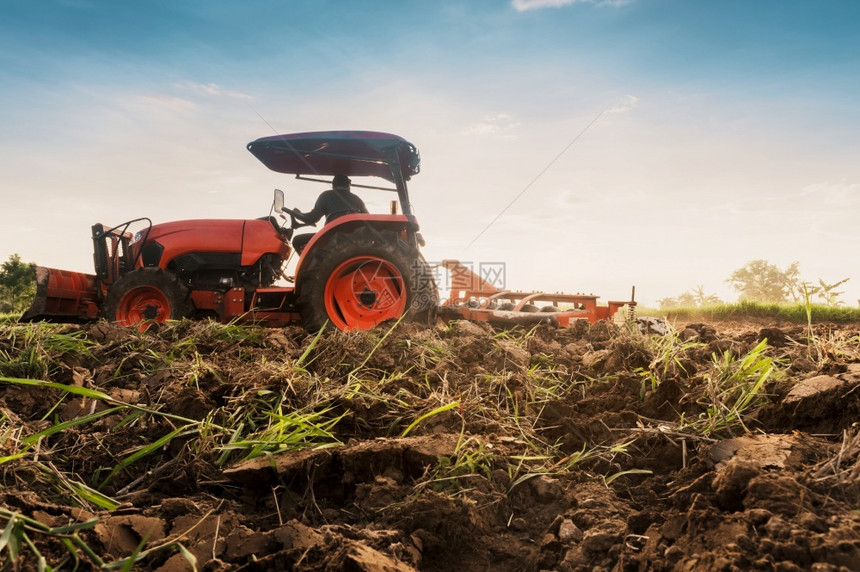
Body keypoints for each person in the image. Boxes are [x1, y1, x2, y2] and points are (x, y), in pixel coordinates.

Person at [290, 174, 368, 253]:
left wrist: (297, 213)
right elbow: (368, 220)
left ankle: (312, 264)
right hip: (354, 239)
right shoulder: (357, 199)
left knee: (297, 241)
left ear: (333, 184)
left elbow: (312, 218)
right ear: (348, 185)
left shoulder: (325, 196)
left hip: (330, 237)